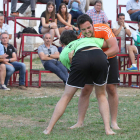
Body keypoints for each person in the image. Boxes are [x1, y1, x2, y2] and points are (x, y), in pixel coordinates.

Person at [43, 30, 117, 135]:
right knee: (101, 95)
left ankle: (48, 129)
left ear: (62, 44)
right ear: (77, 38)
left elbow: (75, 70)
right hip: (99, 56)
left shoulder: (64, 53)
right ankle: (108, 129)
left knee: (66, 96)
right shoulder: (87, 39)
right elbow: (107, 43)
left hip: (80, 58)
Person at [70, 14, 120, 130]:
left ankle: (114, 122)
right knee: (86, 89)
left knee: (111, 89)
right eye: (83, 30)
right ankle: (79, 122)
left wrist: (101, 56)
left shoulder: (103, 28)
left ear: (92, 24)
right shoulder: (81, 38)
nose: (87, 31)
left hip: (109, 58)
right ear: (80, 30)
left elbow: (115, 48)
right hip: (92, 62)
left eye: (89, 28)